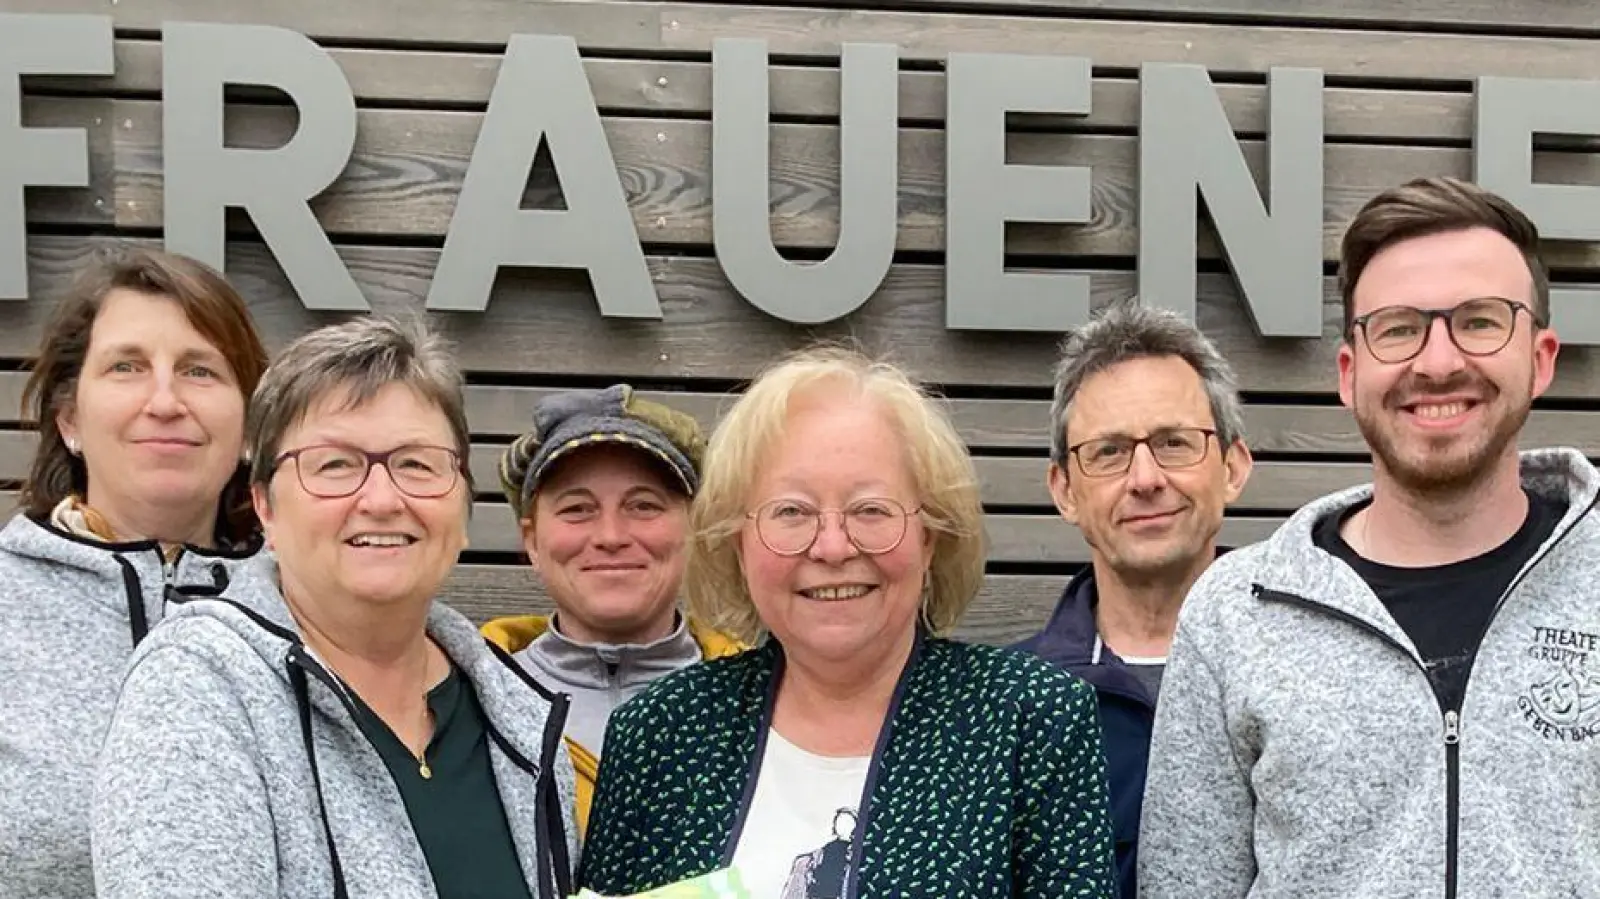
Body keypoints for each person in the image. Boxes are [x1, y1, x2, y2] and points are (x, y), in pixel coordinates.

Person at [1140, 176, 1600, 897]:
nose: (1438, 362)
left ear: (1541, 358)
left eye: (1480, 321)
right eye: (1398, 328)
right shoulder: (1233, 616)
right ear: (1350, 373)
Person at [578, 345, 1117, 898]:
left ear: (930, 538)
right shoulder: (658, 736)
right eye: (792, 512)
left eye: (871, 510)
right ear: (738, 543)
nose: (832, 547)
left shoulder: (1031, 720)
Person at [91, 316, 578, 899]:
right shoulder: (197, 689)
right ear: (265, 507)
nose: (382, 499)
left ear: (463, 502)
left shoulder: (519, 719)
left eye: (417, 463)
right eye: (334, 465)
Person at [0, 246, 274, 899]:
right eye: (127, 366)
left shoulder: (309, 612)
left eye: (199, 370)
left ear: (247, 429)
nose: (165, 400)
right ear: (70, 418)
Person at [1012, 303, 1252, 897]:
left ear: (1232, 467)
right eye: (1109, 452)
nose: (1145, 479)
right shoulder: (1008, 707)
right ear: (1064, 490)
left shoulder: (1309, 677)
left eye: (1174, 442)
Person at [482, 385, 742, 833]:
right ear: (532, 541)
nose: (611, 536)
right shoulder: (465, 705)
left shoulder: (765, 702)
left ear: (693, 528)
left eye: (643, 506)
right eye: (577, 509)